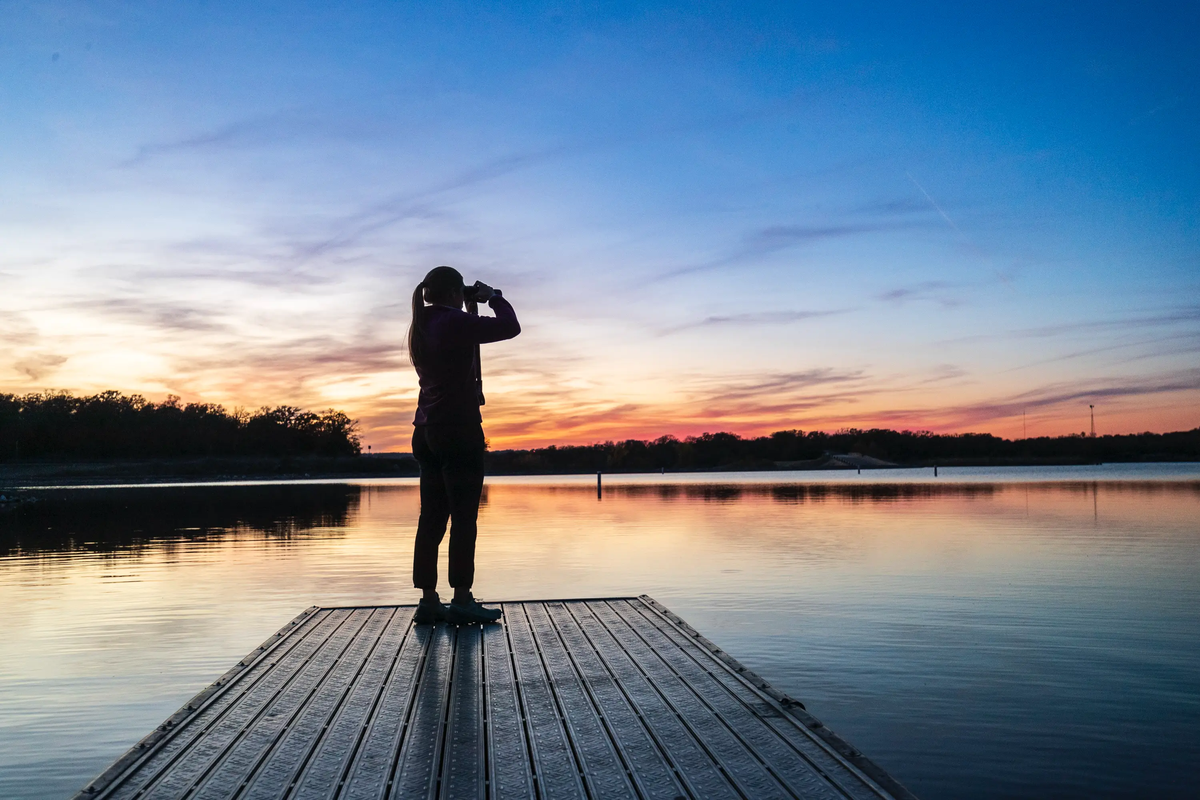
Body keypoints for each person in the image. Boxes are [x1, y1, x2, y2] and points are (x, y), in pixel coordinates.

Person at [406, 265, 520, 625]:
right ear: (455, 291)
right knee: (464, 518)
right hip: (457, 429)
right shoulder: (452, 323)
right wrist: (493, 297)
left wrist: (466, 303)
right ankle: (462, 598)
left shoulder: (422, 323)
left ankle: (428, 600)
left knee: (432, 518)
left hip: (425, 430)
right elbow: (509, 326)